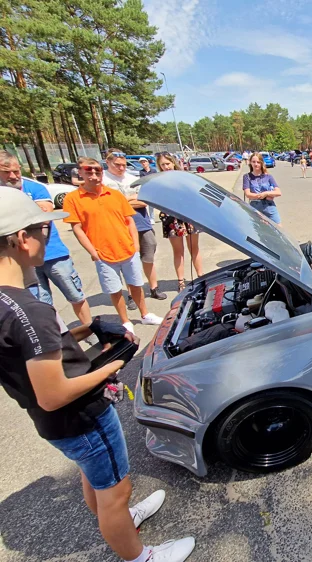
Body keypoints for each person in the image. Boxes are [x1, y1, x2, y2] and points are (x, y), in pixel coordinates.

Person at [0, 188, 195, 562]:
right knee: (114, 491)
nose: (47, 236)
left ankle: (119, 516)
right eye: (42, 228)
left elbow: (27, 353)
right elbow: (53, 394)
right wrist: (111, 366)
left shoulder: (8, 303)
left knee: (96, 478)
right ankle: (141, 556)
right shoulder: (32, 309)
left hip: (54, 424)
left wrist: (81, 333)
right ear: (22, 239)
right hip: (81, 417)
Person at [63, 157, 163, 333]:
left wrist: (136, 246)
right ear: (80, 173)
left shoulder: (114, 195)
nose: (94, 175)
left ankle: (145, 314)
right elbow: (77, 228)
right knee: (115, 289)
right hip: (103, 254)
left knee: (136, 284)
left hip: (128, 249)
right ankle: (125, 322)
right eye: (89, 171)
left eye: (97, 171)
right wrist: (93, 252)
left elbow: (129, 220)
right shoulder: (73, 199)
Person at [0, 151, 93, 326]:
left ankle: (91, 331)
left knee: (75, 295)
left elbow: (44, 217)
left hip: (53, 254)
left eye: (16, 171)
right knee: (41, 303)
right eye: (6, 172)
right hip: (21, 260)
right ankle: (59, 337)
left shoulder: (34, 188)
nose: (13, 176)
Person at [102, 151, 167, 305]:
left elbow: (143, 201)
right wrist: (129, 200)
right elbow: (106, 205)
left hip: (141, 222)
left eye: (123, 165)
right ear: (108, 162)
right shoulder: (103, 181)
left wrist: (120, 202)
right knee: (128, 260)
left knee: (149, 254)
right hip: (117, 226)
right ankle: (132, 295)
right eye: (117, 165)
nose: (121, 168)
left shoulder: (133, 178)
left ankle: (153, 287)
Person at [155, 153, 204, 291]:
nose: (166, 167)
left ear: (173, 163)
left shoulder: (183, 176)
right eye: (163, 165)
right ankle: (181, 281)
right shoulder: (159, 180)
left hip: (188, 216)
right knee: (178, 251)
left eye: (168, 163)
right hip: (171, 218)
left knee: (194, 248)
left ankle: (200, 276)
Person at [243, 152, 283, 226]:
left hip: (270, 207)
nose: (256, 164)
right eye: (253, 162)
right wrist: (262, 195)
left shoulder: (268, 176)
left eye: (258, 162)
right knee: (259, 233)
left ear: (261, 163)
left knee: (279, 230)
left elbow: (278, 192)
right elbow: (248, 194)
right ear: (250, 163)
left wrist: (266, 193)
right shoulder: (247, 177)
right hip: (255, 208)